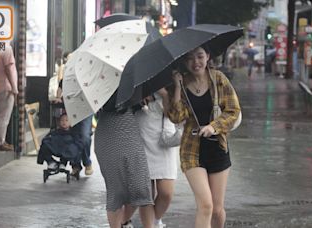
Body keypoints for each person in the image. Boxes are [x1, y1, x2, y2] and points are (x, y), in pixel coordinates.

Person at [167, 46, 240, 228]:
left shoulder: (218, 79)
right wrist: (177, 87)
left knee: (216, 209)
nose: (196, 62)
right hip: (192, 150)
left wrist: (213, 127)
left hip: (218, 148)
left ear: (208, 56)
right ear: (184, 62)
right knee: (205, 205)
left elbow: (233, 111)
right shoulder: (182, 84)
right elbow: (176, 117)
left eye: (200, 56)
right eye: (190, 58)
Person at [95, 91, 155, 228]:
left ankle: (125, 222)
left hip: (129, 130)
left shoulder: (132, 78)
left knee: (141, 188)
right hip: (108, 132)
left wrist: (141, 97)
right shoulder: (98, 85)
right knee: (116, 192)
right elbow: (110, 106)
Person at [134, 90, 179, 228]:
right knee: (146, 194)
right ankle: (149, 225)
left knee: (166, 193)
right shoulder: (139, 73)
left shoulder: (173, 75)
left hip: (164, 131)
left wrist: (165, 94)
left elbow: (174, 113)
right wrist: (139, 96)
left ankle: (156, 219)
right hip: (142, 125)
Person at [0, 43, 18, 151]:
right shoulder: (7, 48)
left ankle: (0, 140)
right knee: (4, 116)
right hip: (6, 86)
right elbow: (8, 69)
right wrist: (14, 87)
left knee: (2, 115)